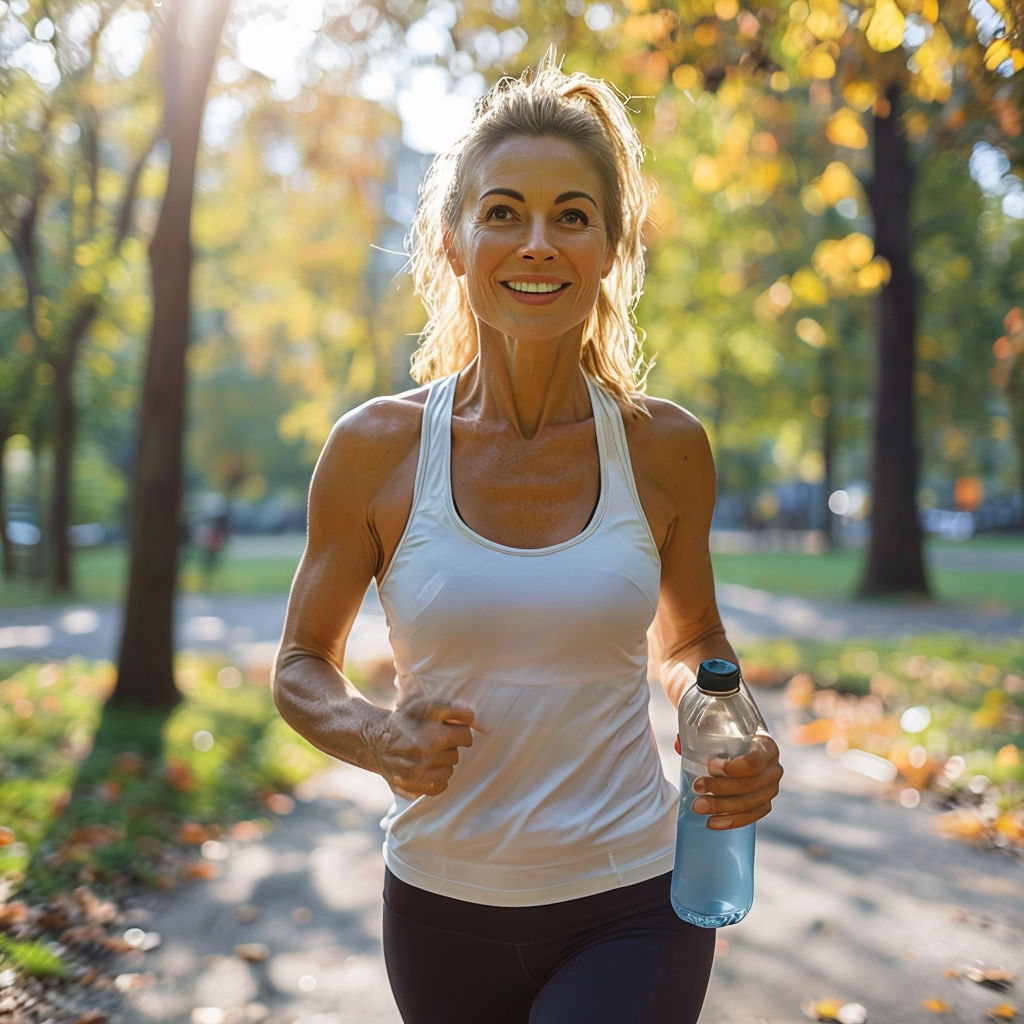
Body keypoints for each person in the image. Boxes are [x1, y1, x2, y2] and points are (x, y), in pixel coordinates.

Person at [272, 53, 783, 1024]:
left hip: (633, 893)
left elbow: (689, 640)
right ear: (454, 241)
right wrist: (377, 735)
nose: (537, 243)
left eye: (571, 216)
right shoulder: (374, 449)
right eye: (503, 212)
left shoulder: (664, 447)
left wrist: (732, 719)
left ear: (608, 251)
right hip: (438, 902)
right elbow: (300, 664)